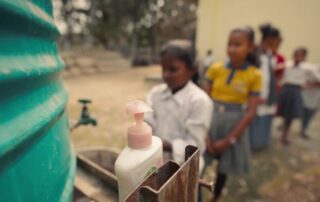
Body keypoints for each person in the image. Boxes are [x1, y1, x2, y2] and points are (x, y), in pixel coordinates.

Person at [204, 27, 262, 202]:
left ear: (250, 47)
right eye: (229, 44)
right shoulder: (216, 68)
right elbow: (203, 101)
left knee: (224, 165)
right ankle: (192, 191)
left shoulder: (254, 75)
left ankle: (216, 195)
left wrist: (230, 139)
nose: (231, 49)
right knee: (199, 159)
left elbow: (251, 112)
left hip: (234, 126)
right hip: (211, 120)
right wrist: (205, 135)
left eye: (238, 44)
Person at [145, 40, 213, 172]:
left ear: (192, 69)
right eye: (163, 69)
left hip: (185, 171)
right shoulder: (155, 94)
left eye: (173, 69)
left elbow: (196, 144)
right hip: (156, 166)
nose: (166, 75)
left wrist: (167, 145)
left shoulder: (199, 101)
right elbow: (148, 124)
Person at [249, 24, 281, 150]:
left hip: (268, 93)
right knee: (255, 118)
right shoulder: (254, 53)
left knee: (265, 117)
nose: (275, 43)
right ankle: (253, 144)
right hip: (257, 93)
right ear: (267, 38)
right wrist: (255, 95)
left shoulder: (269, 53)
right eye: (273, 40)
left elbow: (269, 75)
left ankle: (262, 141)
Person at [279, 48, 320, 142]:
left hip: (296, 90)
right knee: (283, 112)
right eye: (295, 54)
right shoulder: (287, 64)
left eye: (300, 55)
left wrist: (308, 86)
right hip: (285, 89)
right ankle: (283, 131)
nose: (297, 57)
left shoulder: (309, 68)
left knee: (290, 115)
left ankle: (285, 135)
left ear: (304, 56)